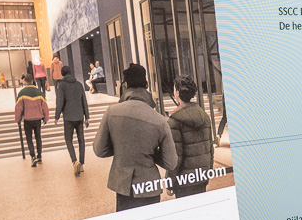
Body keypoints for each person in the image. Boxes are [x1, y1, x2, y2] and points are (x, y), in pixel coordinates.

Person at [93, 63, 177, 211]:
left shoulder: (111, 112)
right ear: (146, 85)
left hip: (123, 186)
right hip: (150, 186)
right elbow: (171, 163)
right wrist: (151, 153)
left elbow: (99, 150)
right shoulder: (160, 120)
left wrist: (120, 147)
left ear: (125, 86)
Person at [166, 75, 214, 198]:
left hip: (184, 181)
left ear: (177, 93)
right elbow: (210, 149)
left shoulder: (174, 122)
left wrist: (170, 183)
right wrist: (207, 172)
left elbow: (175, 157)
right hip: (201, 177)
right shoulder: (205, 117)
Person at [54, 64, 90, 175]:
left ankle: (75, 161)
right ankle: (82, 164)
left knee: (68, 139)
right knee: (81, 140)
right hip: (79, 116)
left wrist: (56, 116)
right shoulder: (79, 84)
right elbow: (84, 101)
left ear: (62, 74)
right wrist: (87, 117)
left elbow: (60, 101)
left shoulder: (61, 85)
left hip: (68, 117)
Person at [13, 71, 48, 167]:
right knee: (38, 137)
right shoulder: (39, 92)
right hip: (37, 119)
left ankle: (33, 156)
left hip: (27, 120)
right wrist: (46, 118)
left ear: (25, 81)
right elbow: (45, 106)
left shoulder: (22, 93)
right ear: (33, 81)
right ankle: (39, 156)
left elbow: (18, 108)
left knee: (29, 139)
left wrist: (18, 119)